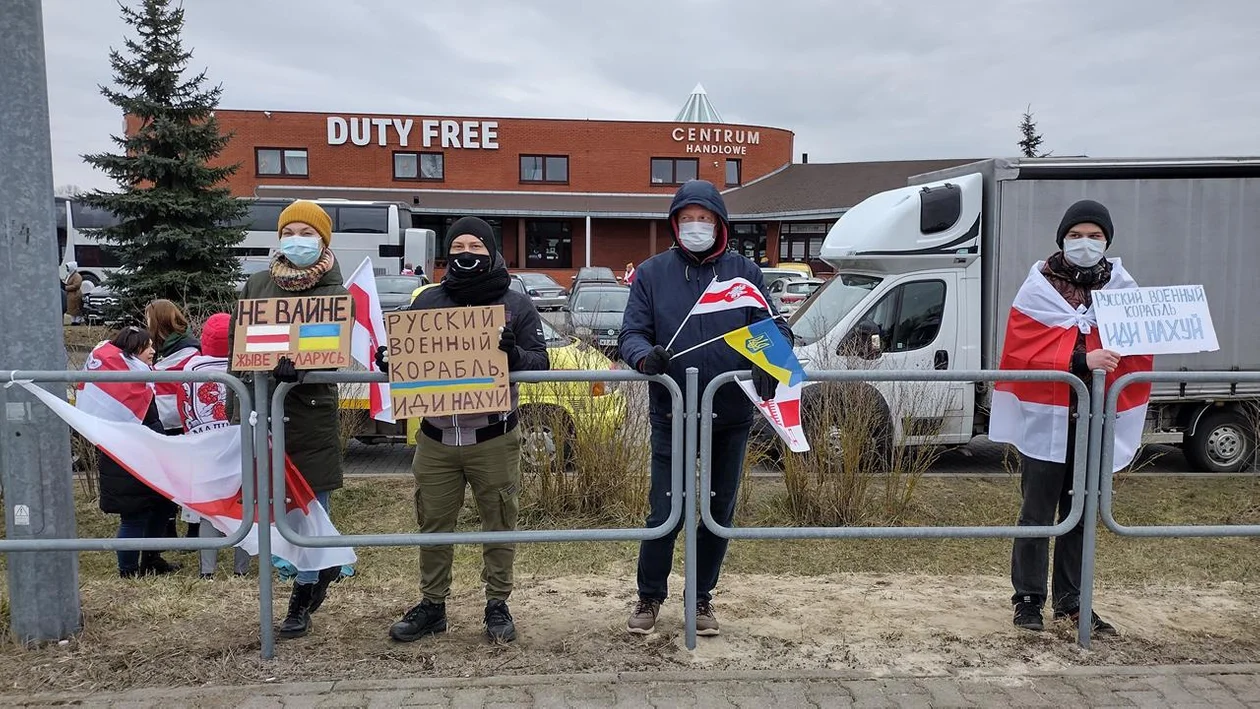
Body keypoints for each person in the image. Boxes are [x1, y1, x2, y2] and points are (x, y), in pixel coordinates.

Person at [619, 180, 788, 637]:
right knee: (663, 510)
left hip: (728, 415)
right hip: (672, 413)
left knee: (718, 510)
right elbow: (630, 333)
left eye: (705, 218)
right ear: (675, 223)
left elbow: (771, 327)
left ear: (720, 223)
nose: (696, 226)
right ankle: (650, 596)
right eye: (687, 218)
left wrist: (770, 362)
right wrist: (642, 356)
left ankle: (701, 598)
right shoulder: (652, 274)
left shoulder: (744, 273)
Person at [380, 216, 549, 645]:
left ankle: (497, 604)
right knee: (433, 525)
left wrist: (514, 357)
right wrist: (392, 362)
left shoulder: (516, 304)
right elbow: (412, 362)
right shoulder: (428, 301)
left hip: (493, 438)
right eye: (458, 247)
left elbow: (541, 361)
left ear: (491, 253)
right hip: (435, 439)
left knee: (499, 522)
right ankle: (432, 606)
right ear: (447, 255)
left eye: (476, 246)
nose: (467, 253)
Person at [993, 199, 1146, 636]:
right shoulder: (1037, 287)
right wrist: (1081, 358)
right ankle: (1027, 600)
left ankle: (1072, 601)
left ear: (1107, 241)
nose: (1086, 243)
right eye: (1077, 235)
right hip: (1046, 417)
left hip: (1093, 419)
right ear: (1062, 238)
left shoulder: (1121, 288)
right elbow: (1022, 352)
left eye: (1095, 236)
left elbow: (1136, 345)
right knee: (1037, 512)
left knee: (1080, 511)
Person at [230, 200, 348, 639]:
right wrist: (235, 408)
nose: (296, 239)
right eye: (289, 231)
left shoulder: (334, 293)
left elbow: (333, 353)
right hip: (261, 413)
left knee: (312, 510)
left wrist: (302, 366)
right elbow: (237, 351)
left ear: (322, 240)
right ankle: (310, 573)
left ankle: (302, 598)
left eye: (306, 232)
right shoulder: (257, 284)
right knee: (272, 507)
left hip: (309, 414)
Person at [84, 326, 180, 578]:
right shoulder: (126, 383)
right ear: (132, 352)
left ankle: (151, 559)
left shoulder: (137, 377)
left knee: (162, 507)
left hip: (146, 456)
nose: (153, 351)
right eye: (147, 347)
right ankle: (127, 571)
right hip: (126, 462)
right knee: (134, 517)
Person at [178, 313, 252, 579]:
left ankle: (207, 571)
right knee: (244, 505)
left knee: (209, 509)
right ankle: (241, 569)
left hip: (205, 446)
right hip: (240, 444)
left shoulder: (192, 368)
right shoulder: (246, 363)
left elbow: (184, 409)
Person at [146, 299, 202, 539]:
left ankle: (193, 527)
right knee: (169, 477)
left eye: (148, 319)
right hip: (169, 421)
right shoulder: (170, 347)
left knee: (187, 477)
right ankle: (170, 525)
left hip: (179, 422)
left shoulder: (187, 350)